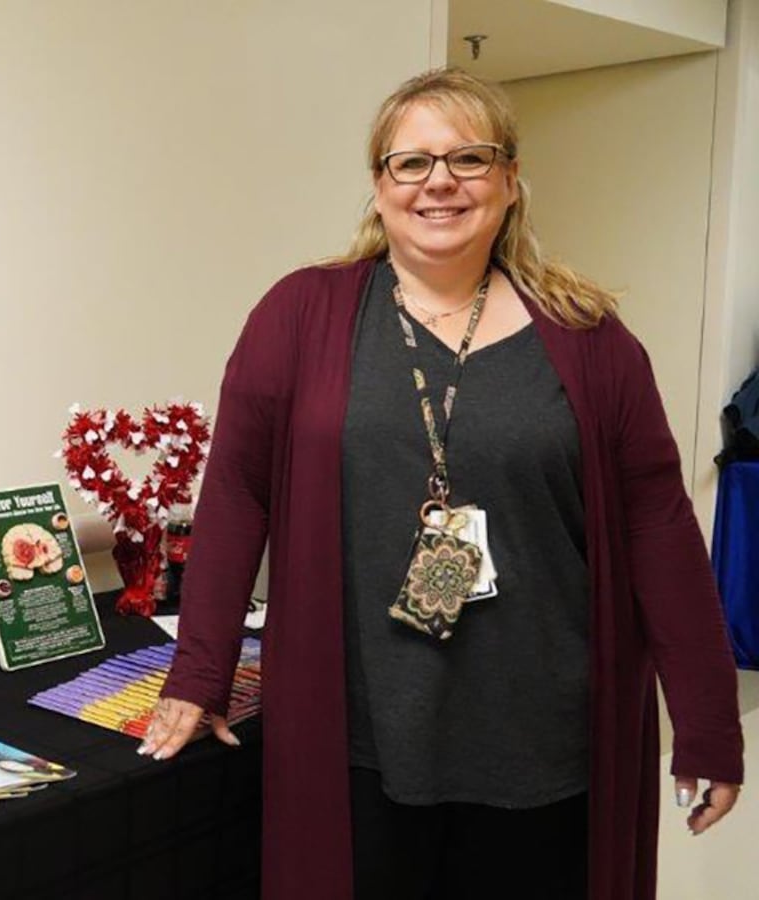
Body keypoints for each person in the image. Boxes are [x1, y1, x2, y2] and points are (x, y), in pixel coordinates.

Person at [139, 68, 743, 900]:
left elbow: (659, 530)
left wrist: (709, 725)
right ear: (378, 186)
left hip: (544, 741)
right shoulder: (299, 316)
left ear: (510, 181)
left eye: (469, 157)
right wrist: (197, 673)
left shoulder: (593, 340)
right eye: (411, 162)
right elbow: (238, 493)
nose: (440, 183)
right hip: (358, 732)